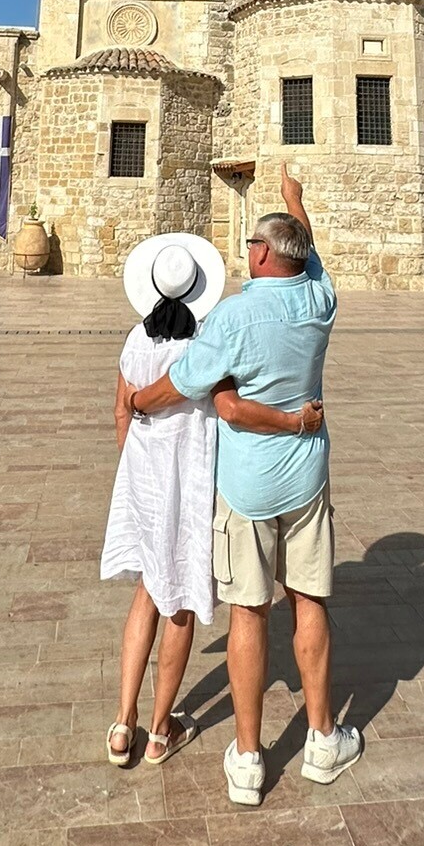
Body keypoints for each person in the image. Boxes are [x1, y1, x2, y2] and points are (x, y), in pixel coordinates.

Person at [128, 169, 359, 807]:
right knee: (309, 600)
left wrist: (138, 402)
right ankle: (323, 739)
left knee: (249, 612)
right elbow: (306, 250)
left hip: (247, 486)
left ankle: (250, 759)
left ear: (260, 255)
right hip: (306, 475)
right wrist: (294, 199)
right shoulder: (320, 300)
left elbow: (184, 384)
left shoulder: (232, 316)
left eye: (254, 244)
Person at [101, 233, 320, 768]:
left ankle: (123, 723)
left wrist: (136, 464)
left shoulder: (135, 340)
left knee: (147, 593)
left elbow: (123, 409)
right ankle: (160, 730)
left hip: (145, 482)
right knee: (177, 605)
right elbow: (226, 407)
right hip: (194, 483)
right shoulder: (207, 342)